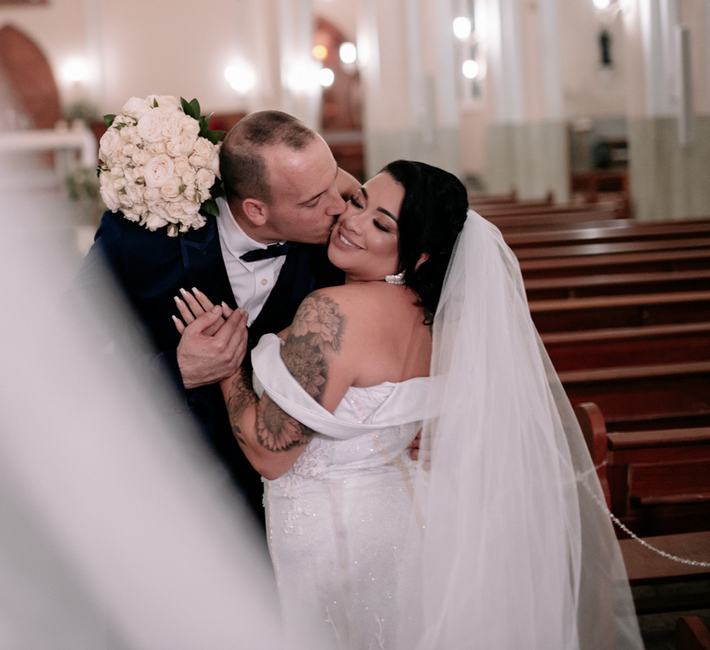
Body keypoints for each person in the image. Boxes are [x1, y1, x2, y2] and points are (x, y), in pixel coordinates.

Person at [176, 160, 643, 649]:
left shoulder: (334, 310)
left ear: (420, 255)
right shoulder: (438, 317)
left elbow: (269, 453)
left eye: (381, 225)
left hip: (333, 541)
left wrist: (227, 367)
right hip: (403, 524)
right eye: (357, 202)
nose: (352, 221)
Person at [78, 111, 358, 529]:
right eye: (314, 200)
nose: (339, 207)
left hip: (296, 503)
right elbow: (52, 356)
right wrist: (178, 370)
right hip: (169, 498)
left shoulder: (343, 247)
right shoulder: (140, 240)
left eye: (335, 182)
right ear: (256, 210)